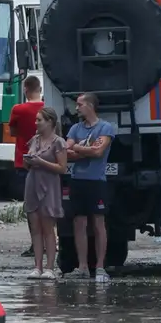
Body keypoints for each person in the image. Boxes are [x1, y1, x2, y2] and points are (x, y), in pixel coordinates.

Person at [65, 93, 116, 282]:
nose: (76, 108)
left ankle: (100, 267)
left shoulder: (105, 128)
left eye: (80, 104)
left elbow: (98, 151)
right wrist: (83, 150)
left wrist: (78, 149)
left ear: (90, 106)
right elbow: (65, 151)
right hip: (77, 180)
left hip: (96, 181)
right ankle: (82, 267)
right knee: (79, 223)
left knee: (98, 223)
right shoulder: (75, 129)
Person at [22, 106, 67, 279]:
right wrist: (28, 162)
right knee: (35, 228)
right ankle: (37, 266)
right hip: (32, 182)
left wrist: (40, 161)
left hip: (49, 185)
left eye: (39, 120)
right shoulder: (34, 140)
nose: (36, 123)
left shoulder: (58, 142)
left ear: (49, 122)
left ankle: (50, 267)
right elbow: (27, 163)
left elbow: (62, 168)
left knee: (48, 227)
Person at [9, 75, 47, 257]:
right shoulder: (48, 109)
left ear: (25, 89)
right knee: (48, 204)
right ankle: (51, 241)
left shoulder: (18, 109)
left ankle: (36, 244)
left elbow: (13, 131)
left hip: (24, 162)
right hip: (48, 162)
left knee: (31, 205)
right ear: (40, 89)